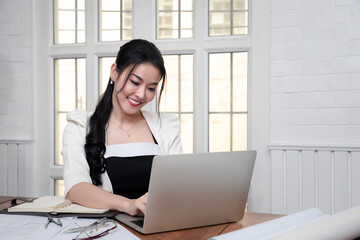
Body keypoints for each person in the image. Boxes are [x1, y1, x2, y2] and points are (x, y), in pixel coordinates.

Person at [62, 39, 183, 216]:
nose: (141, 95)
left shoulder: (166, 126)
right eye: (135, 82)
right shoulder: (79, 126)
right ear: (114, 73)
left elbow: (177, 184)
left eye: (151, 88)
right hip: (105, 228)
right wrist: (129, 205)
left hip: (157, 225)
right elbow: (76, 188)